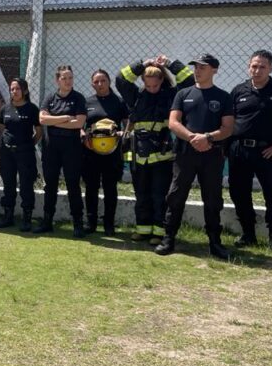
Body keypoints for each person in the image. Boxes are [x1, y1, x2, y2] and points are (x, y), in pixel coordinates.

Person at [155, 54, 234, 259]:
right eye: (196, 67)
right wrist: (192, 138)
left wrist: (208, 138)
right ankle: (168, 239)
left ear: (214, 70)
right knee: (176, 195)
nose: (197, 71)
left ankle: (215, 242)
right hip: (185, 154)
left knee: (212, 198)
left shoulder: (223, 97)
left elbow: (228, 128)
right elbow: (173, 122)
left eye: (202, 67)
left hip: (212, 155)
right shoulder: (183, 94)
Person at [114, 56, 194, 244]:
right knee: (141, 194)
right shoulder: (136, 96)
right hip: (139, 154)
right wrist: (142, 64)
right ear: (143, 81)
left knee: (160, 195)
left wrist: (171, 64)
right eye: (147, 85)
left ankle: (159, 232)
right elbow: (121, 79)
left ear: (162, 80)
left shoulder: (171, 95)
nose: (151, 89)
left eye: (155, 85)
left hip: (162, 154)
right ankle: (142, 229)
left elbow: (189, 81)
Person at [228, 50, 272, 255]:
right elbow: (229, 121)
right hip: (239, 150)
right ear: (248, 67)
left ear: (270, 68)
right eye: (254, 66)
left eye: (262, 67)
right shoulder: (238, 90)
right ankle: (248, 234)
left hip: (267, 152)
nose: (257, 70)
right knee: (239, 193)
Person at [36, 65, 87, 236]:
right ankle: (47, 221)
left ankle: (78, 223)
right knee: (50, 184)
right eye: (64, 78)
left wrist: (53, 121)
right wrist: (65, 118)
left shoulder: (78, 98)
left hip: (71, 149)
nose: (68, 81)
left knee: (73, 184)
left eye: (70, 77)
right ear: (57, 80)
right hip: (51, 148)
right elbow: (42, 119)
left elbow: (79, 123)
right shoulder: (50, 98)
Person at [81, 69, 130, 235]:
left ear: (109, 82)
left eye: (103, 80)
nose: (100, 84)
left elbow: (128, 123)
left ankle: (109, 224)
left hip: (112, 153)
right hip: (91, 152)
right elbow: (80, 125)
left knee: (110, 188)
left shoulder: (119, 101)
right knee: (91, 187)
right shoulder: (87, 102)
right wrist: (83, 136)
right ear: (92, 84)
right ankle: (91, 223)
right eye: (96, 81)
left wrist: (124, 133)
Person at [0, 79, 41, 231]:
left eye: (18, 89)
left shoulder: (32, 109)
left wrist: (27, 145)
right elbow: (2, 127)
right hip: (7, 152)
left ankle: (27, 219)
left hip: (25, 153)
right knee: (8, 185)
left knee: (26, 186)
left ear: (25, 91)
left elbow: (38, 132)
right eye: (12, 89)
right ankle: (8, 216)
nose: (14, 92)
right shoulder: (5, 108)